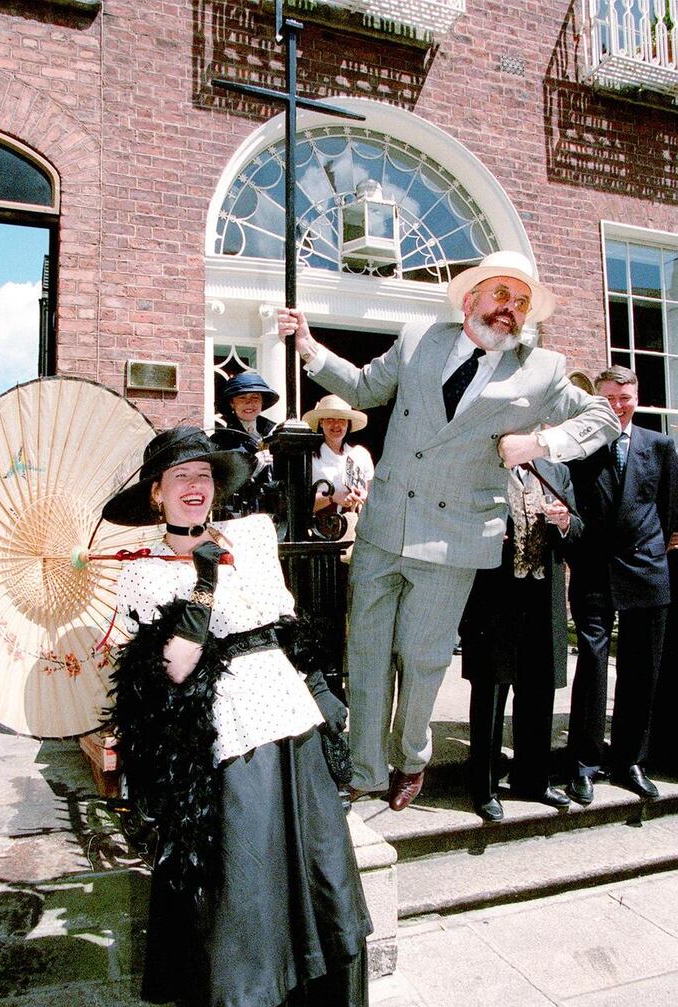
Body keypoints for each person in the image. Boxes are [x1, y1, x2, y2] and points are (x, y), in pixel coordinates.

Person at [277, 250, 619, 810]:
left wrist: (540, 443)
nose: (509, 310)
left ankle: (410, 757)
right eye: (500, 295)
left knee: (422, 657)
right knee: (365, 652)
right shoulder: (418, 339)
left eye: (521, 302)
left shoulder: (544, 369)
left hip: (455, 537)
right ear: (471, 299)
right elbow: (363, 388)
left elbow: (603, 417)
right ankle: (365, 768)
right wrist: (311, 348)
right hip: (385, 525)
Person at [102, 425, 372, 1007]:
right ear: (156, 494)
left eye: (203, 474)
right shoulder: (140, 571)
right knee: (248, 903)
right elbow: (175, 667)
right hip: (224, 741)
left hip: (288, 718)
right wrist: (204, 575)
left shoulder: (250, 536)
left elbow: (280, 622)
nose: (194, 485)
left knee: (317, 876)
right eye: (177, 477)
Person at [566, 366, 678, 805]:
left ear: (637, 396)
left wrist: (652, 548)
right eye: (609, 397)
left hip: (646, 571)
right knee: (592, 665)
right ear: (597, 399)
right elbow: (571, 506)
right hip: (593, 571)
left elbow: (669, 512)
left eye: (625, 397)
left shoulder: (660, 445)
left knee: (640, 668)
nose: (618, 405)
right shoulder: (581, 446)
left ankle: (630, 760)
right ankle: (584, 764)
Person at [460, 460, 581, 821]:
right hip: (495, 595)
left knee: (539, 687)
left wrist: (564, 522)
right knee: (491, 689)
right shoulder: (483, 467)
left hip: (543, 594)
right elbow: (459, 518)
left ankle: (533, 779)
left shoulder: (556, 472)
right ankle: (484, 786)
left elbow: (579, 527)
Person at [302, 393, 374, 545]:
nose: (336, 425)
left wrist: (362, 496)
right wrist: (332, 497)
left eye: (341, 419)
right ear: (321, 422)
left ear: (348, 423)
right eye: (330, 419)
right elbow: (299, 504)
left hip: (358, 532)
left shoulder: (360, 454)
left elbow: (374, 495)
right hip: (320, 534)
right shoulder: (309, 457)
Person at [211, 371, 281, 516]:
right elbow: (221, 485)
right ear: (232, 403)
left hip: (273, 514)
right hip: (237, 515)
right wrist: (252, 468)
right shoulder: (221, 440)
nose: (249, 403)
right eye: (242, 398)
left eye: (255, 398)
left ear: (262, 402)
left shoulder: (275, 434)